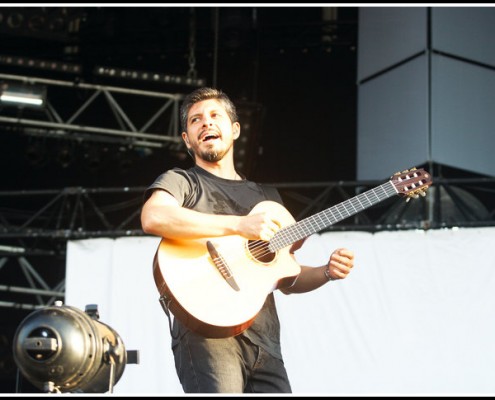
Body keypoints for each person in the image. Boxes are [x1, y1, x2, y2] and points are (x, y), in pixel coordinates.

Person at [140, 87, 355, 394]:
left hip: (265, 343)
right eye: (196, 120)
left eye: (216, 116)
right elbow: (154, 217)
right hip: (206, 334)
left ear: (235, 129)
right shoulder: (182, 181)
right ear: (187, 138)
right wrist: (240, 225)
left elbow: (285, 277)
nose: (206, 123)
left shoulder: (267, 198)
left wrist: (326, 272)